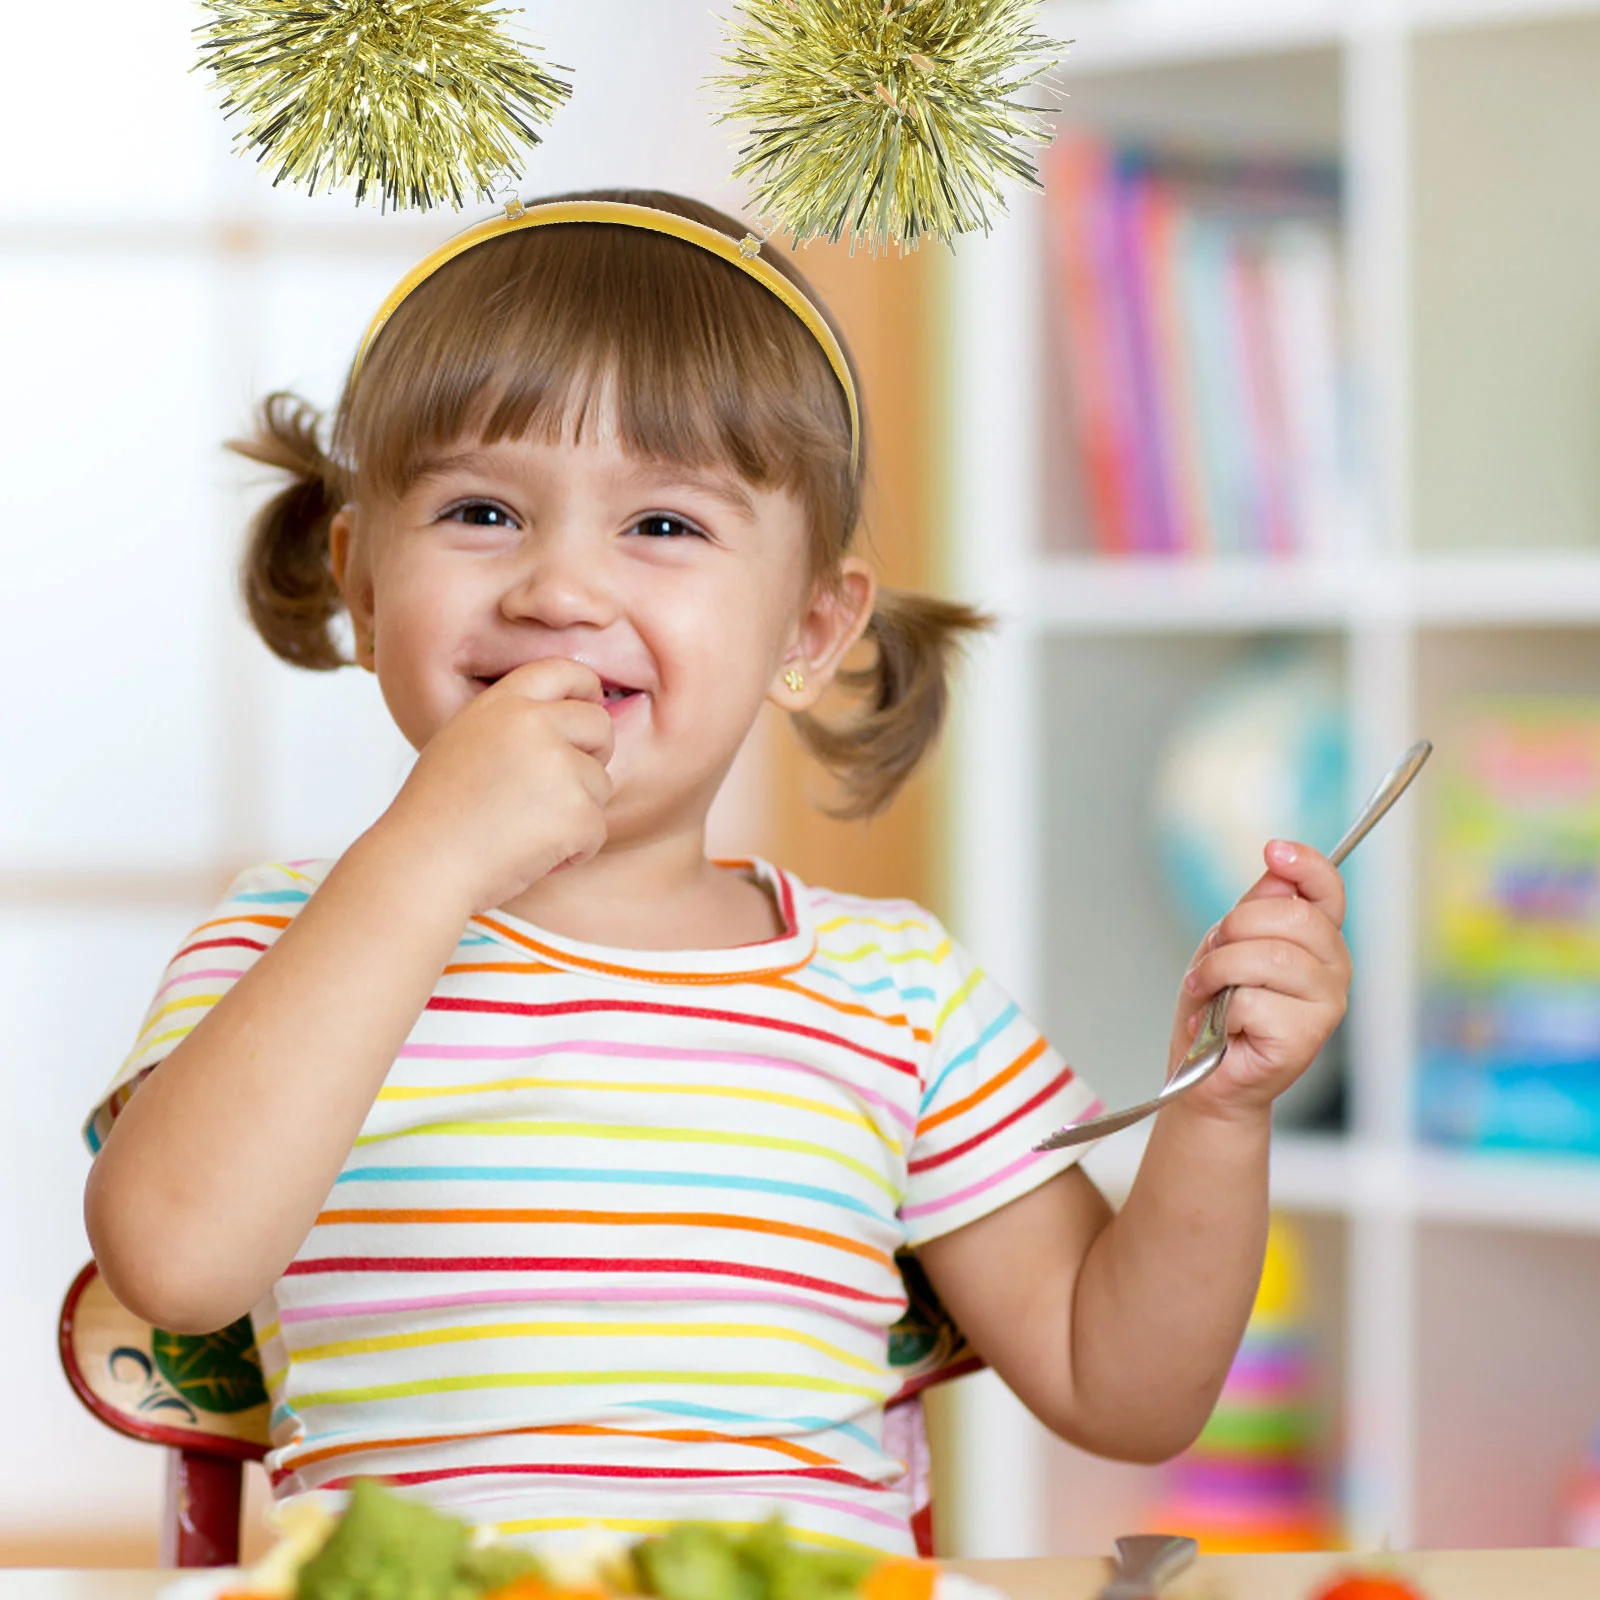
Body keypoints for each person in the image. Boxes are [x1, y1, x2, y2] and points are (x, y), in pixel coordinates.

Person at [82, 189, 1351, 1557]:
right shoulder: (293, 940)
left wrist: (1221, 1114)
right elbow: (175, 1264)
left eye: (664, 527)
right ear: (366, 584)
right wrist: (426, 857)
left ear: (809, 628)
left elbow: (1127, 1389)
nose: (560, 590)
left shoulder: (896, 992)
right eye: (482, 510)